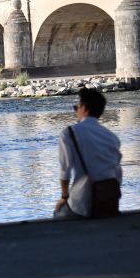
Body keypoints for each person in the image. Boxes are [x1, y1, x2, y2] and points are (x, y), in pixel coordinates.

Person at [54, 87, 122, 218]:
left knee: (58, 213)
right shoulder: (112, 137)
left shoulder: (69, 133)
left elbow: (65, 171)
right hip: (109, 202)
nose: (76, 111)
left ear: (84, 108)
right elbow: (117, 173)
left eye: (76, 107)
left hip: (81, 204)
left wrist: (64, 197)